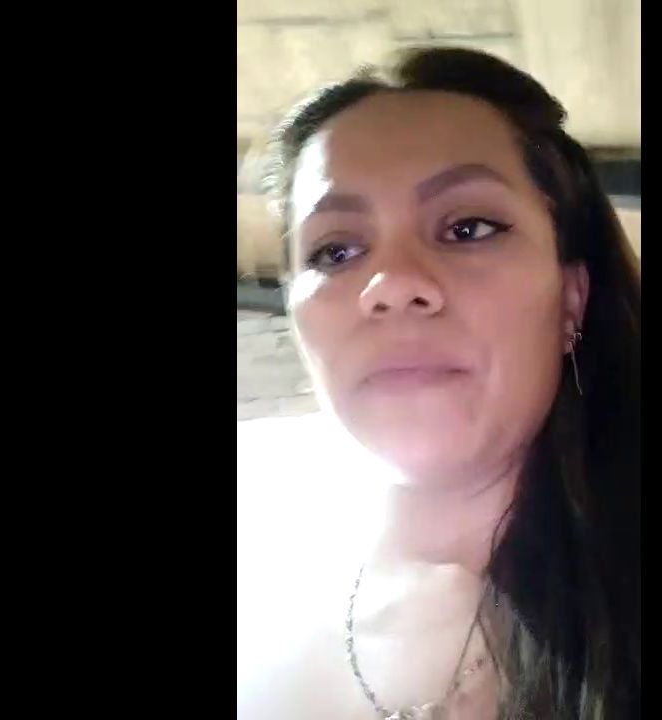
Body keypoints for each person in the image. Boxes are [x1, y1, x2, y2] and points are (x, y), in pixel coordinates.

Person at [238, 47, 640, 720]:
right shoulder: (259, 618)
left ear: (571, 299)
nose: (391, 284)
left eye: (467, 228)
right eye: (336, 251)